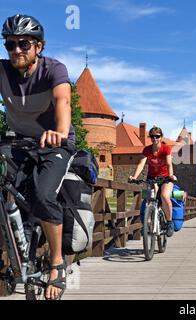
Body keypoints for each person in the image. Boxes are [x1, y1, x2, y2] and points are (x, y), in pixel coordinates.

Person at [0, 14, 76, 300]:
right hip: (17, 142)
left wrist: (59, 131)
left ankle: (57, 263)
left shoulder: (54, 69)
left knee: (44, 196)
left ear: (39, 47)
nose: (16, 50)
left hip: (54, 143)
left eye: (23, 43)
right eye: (9, 44)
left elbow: (63, 101)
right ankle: (10, 255)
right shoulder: (3, 71)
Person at [129, 126, 177, 237]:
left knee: (165, 196)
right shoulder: (147, 150)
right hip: (152, 178)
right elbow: (141, 164)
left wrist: (170, 176)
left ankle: (169, 222)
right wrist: (135, 177)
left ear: (161, 137)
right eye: (152, 136)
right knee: (150, 197)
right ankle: (148, 223)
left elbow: (169, 163)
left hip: (165, 178)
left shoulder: (166, 148)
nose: (155, 138)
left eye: (157, 136)